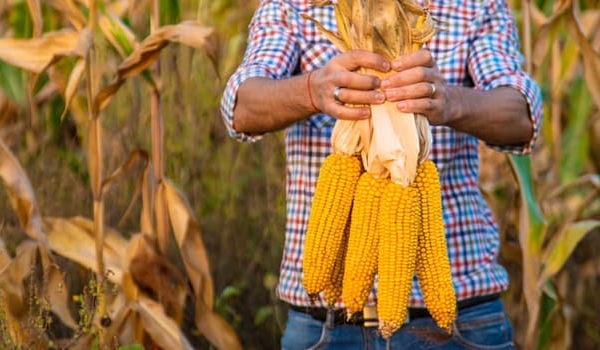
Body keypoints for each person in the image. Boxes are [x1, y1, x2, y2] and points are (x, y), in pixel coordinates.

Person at [220, 1, 541, 349]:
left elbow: (522, 118)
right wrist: (313, 90)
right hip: (325, 325)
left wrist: (450, 102)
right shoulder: (292, 6)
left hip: (460, 323)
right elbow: (241, 108)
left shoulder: (476, 6)